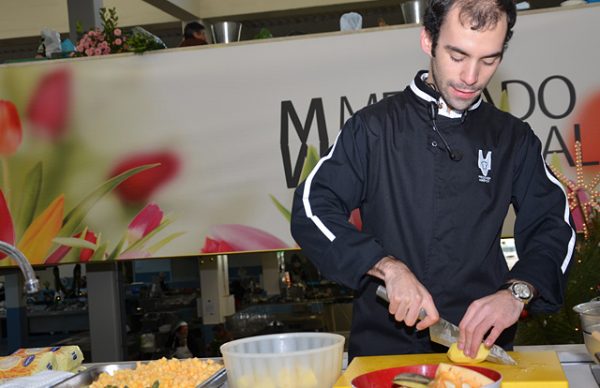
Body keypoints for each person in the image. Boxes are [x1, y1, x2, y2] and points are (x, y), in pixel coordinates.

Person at [291, 0, 576, 361]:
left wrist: (516, 293)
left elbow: (553, 225)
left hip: (480, 350)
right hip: (383, 349)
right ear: (428, 40)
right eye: (457, 56)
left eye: (488, 60)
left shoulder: (513, 139)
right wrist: (387, 267)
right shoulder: (374, 129)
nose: (471, 77)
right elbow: (312, 208)